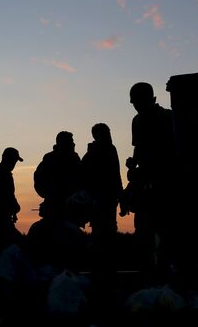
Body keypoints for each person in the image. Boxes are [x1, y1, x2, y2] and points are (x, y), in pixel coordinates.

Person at [127, 82, 177, 281]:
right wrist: (134, 163)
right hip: (145, 186)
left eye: (138, 102)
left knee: (167, 232)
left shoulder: (168, 118)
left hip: (166, 185)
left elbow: (175, 151)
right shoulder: (137, 121)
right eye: (134, 103)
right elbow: (138, 148)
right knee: (144, 233)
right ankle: (148, 275)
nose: (136, 106)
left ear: (150, 99)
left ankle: (165, 274)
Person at [81, 123, 122, 287]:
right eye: (106, 132)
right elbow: (115, 175)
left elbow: (116, 175)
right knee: (103, 236)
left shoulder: (99, 151)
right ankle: (103, 274)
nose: (109, 134)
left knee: (104, 236)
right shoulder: (100, 151)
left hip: (105, 201)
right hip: (101, 201)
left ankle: (104, 273)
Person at [34, 131, 82, 220]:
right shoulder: (49, 160)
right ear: (64, 143)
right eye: (71, 141)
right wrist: (50, 194)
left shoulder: (75, 159)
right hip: (54, 207)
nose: (74, 144)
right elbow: (39, 180)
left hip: (72, 206)